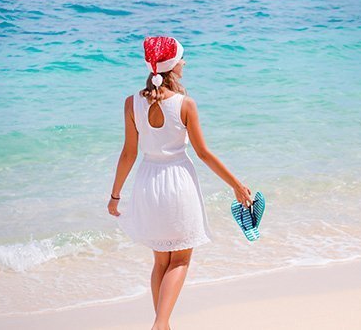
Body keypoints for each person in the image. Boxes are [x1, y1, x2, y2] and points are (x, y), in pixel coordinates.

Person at [108, 36, 253, 330]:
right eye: (182, 59)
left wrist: (115, 195)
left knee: (161, 261)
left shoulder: (131, 103)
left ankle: (163, 324)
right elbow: (203, 153)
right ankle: (161, 324)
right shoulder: (185, 104)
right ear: (173, 65)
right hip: (177, 184)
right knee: (181, 260)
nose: (184, 63)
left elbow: (128, 153)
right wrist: (237, 185)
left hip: (148, 183)